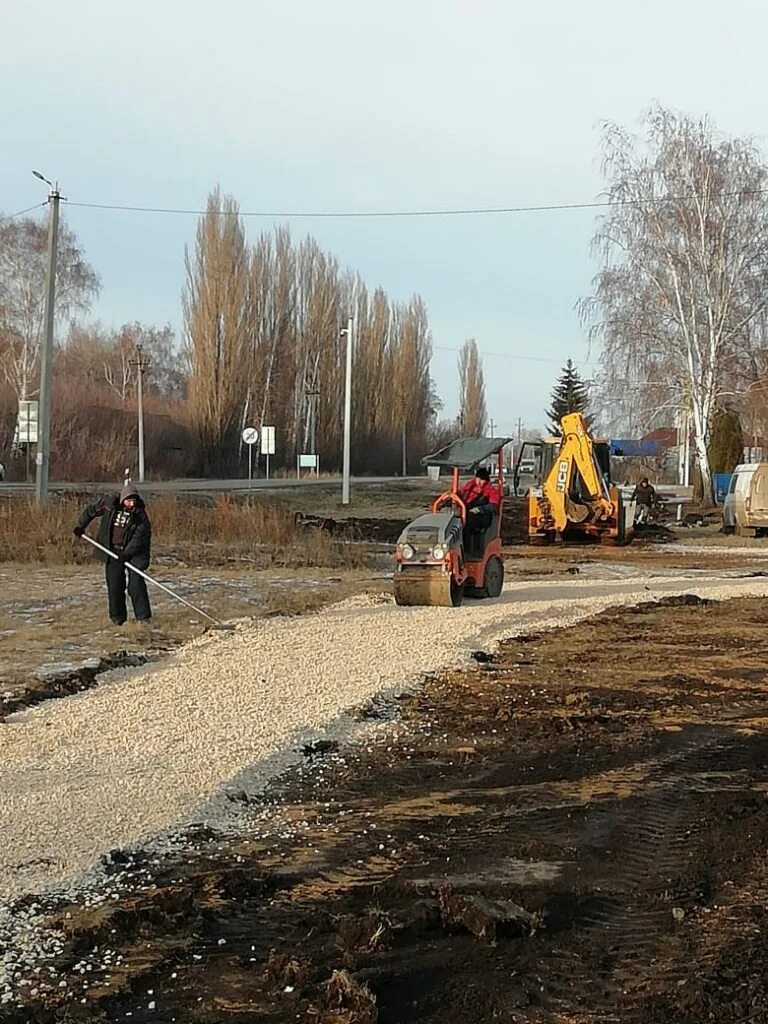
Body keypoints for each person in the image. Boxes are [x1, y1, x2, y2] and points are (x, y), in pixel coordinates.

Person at [74, 483, 152, 625]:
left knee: (135, 585)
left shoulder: (141, 516)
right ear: (122, 500)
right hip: (112, 550)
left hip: (135, 553)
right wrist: (81, 526)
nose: (131, 504)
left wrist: (126, 554)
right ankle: (117, 619)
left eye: (133, 501)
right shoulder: (109, 503)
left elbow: (139, 539)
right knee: (114, 585)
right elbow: (91, 511)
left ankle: (143, 618)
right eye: (128, 501)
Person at [458, 466, 500, 535]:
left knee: (469, 519)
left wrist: (479, 509)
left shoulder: (491, 490)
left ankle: (468, 541)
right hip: (466, 511)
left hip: (482, 516)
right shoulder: (470, 486)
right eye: (478, 479)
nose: (479, 482)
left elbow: (493, 506)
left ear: (486, 480)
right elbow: (461, 492)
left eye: (482, 480)